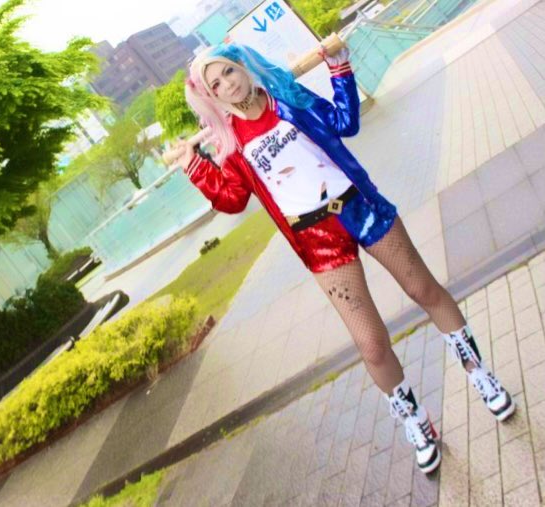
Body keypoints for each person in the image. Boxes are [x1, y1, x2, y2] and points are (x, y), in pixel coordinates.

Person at [173, 42, 515, 474]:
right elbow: (232, 199)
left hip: (359, 206)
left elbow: (345, 122)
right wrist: (196, 166)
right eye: (215, 84)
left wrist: (339, 68)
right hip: (316, 240)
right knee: (370, 343)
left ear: (241, 66)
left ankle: (480, 373)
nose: (226, 84)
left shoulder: (288, 98)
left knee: (423, 289)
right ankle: (414, 419)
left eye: (227, 71)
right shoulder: (232, 146)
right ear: (211, 96)